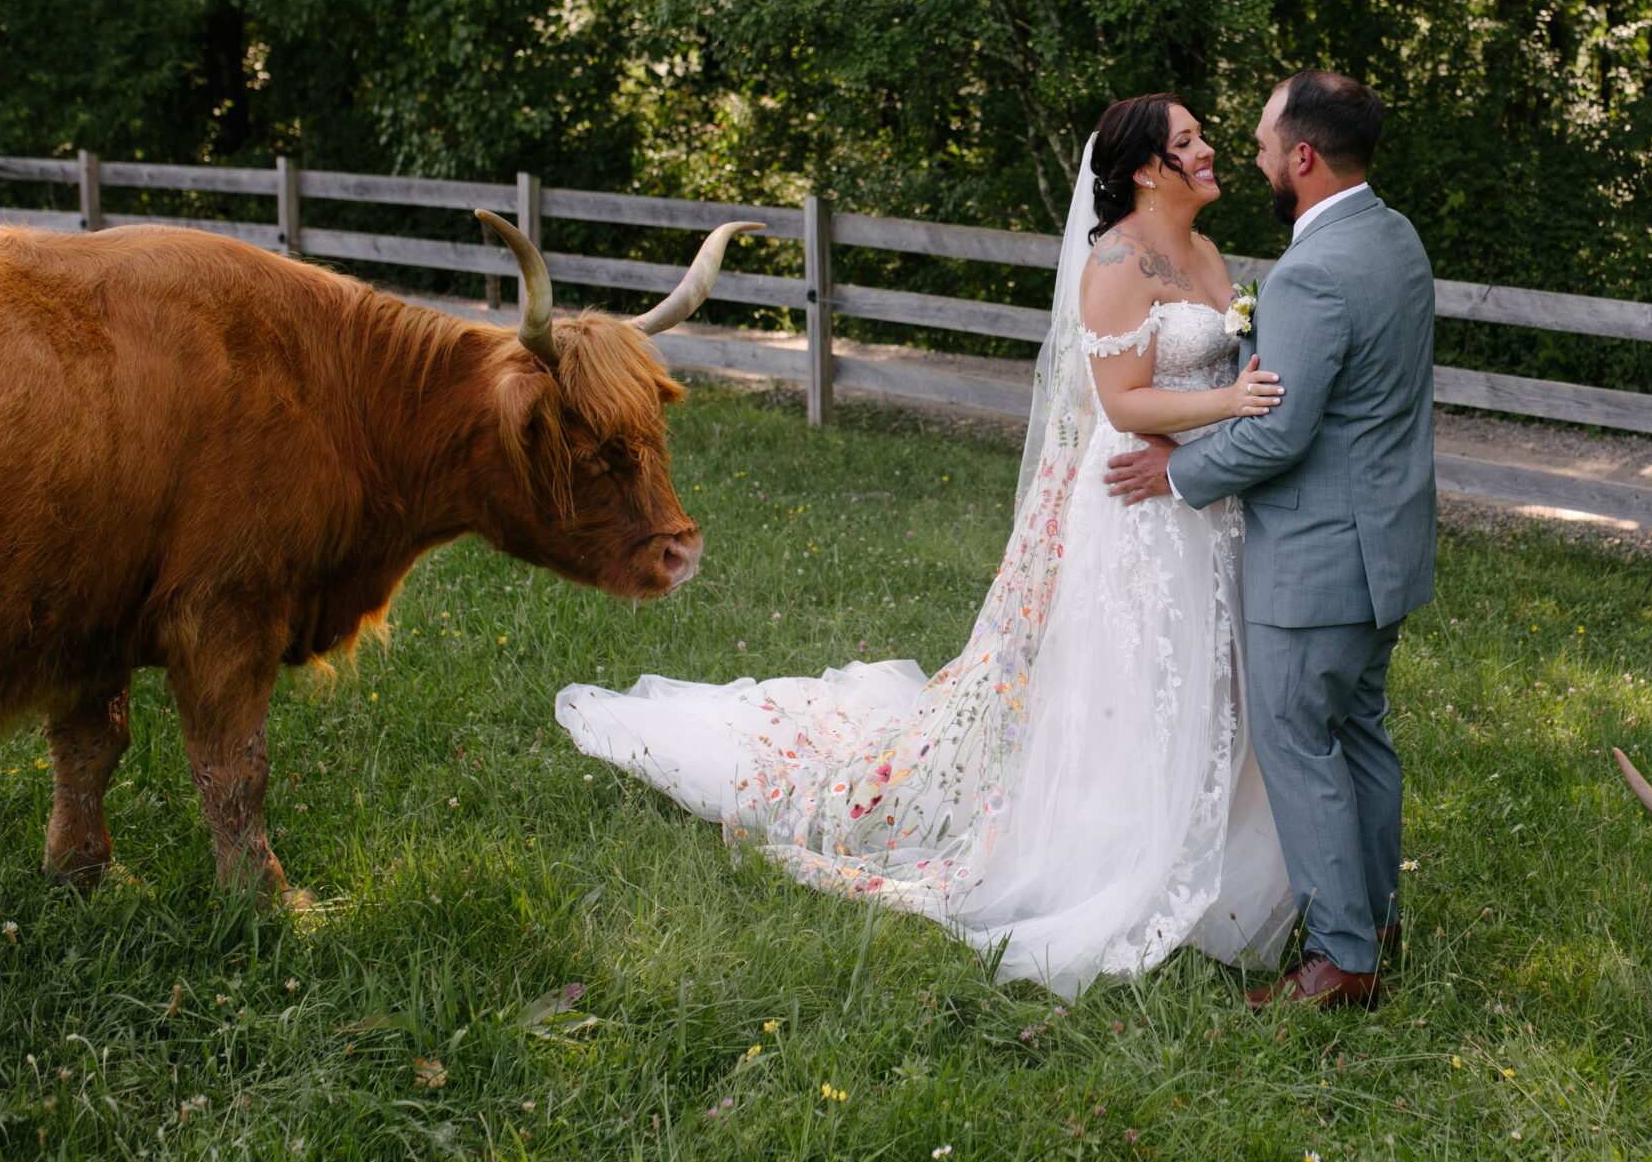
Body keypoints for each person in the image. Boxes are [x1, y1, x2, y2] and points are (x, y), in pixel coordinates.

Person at [552, 95, 1296, 998]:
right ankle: (1123, 851)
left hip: (1204, 502)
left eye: (1202, 137)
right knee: (1141, 682)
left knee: (1214, 679)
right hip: (1138, 507)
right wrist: (1229, 404)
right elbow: (1122, 404)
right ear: (1145, 168)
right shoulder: (1114, 260)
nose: (1208, 148)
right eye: (1187, 141)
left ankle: (1215, 857)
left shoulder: (1212, 256)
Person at [1104, 69, 1437, 1010]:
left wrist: (1175, 472)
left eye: (1259, 140)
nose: (1248, 154)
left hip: (1320, 557)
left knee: (1298, 737)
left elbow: (1283, 429)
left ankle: (1339, 962)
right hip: (1386, 547)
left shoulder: (1315, 270)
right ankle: (1374, 923)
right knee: (1359, 731)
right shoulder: (1396, 238)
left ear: (1303, 156)